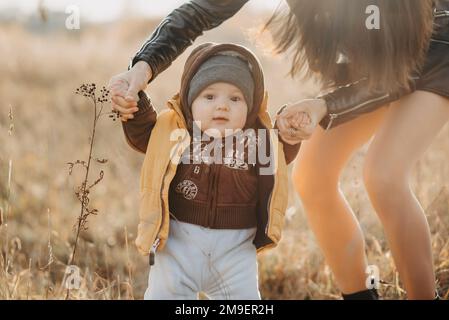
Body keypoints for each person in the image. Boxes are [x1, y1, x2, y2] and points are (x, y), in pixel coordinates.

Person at [109, 0, 449, 299]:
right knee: (313, 178)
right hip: (373, 72)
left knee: (383, 175)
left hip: (435, 55)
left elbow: (397, 75)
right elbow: (199, 11)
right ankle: (359, 296)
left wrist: (324, 105)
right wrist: (141, 70)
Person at [121, 42, 301, 299]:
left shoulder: (257, 138)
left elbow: (280, 155)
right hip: (177, 243)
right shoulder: (174, 131)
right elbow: (144, 136)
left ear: (250, 107)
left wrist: (289, 131)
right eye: (209, 96)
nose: (222, 106)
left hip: (236, 250)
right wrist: (135, 101)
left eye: (235, 98)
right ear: (190, 101)